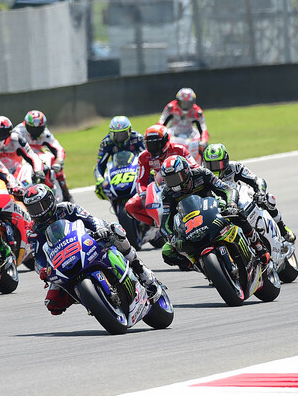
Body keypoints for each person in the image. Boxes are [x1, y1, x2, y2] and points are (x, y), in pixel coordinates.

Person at [22, 184, 158, 316]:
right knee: (53, 303)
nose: (38, 212)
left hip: (88, 242)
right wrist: (43, 271)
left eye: (41, 206)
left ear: (50, 201)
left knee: (115, 230)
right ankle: (90, 300)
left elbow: (91, 219)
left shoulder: (66, 208)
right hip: (64, 261)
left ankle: (142, 272)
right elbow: (38, 257)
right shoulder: (33, 232)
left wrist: (100, 229)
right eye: (33, 209)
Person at [159, 155, 271, 269]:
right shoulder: (167, 193)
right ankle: (202, 266)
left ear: (186, 172)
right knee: (167, 252)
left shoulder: (202, 174)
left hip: (213, 208)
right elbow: (164, 222)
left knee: (237, 213)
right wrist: (171, 237)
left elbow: (227, 189)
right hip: (189, 223)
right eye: (169, 180)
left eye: (176, 178)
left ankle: (258, 246)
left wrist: (231, 204)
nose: (174, 184)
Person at [201, 143, 296, 243]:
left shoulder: (235, 167)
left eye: (217, 164)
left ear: (226, 161)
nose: (214, 169)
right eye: (210, 165)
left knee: (268, 199)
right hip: (219, 205)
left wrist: (260, 192)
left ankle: (283, 229)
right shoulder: (203, 175)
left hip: (242, 199)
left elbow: (257, 180)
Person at [124, 124, 197, 226]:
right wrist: (144, 194)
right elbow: (141, 180)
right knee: (130, 206)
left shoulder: (180, 149)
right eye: (149, 144)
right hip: (160, 188)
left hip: (181, 185)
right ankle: (157, 223)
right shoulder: (144, 157)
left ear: (165, 140)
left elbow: (195, 167)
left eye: (155, 144)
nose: (153, 148)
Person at [13, 110, 73, 202]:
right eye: (33, 129)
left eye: (39, 128)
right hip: (22, 157)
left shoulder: (45, 132)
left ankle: (66, 196)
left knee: (54, 163)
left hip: (38, 156)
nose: (36, 132)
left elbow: (57, 147)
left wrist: (59, 160)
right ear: (27, 125)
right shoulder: (18, 132)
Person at [93, 116, 146, 200]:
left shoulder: (138, 138)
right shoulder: (106, 143)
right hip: (116, 171)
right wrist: (99, 180)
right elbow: (99, 165)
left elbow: (149, 156)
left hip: (135, 170)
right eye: (114, 134)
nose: (117, 138)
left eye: (121, 134)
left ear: (129, 131)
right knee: (99, 190)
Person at [0, 115, 45, 186]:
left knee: (32, 169)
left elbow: (32, 156)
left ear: (10, 132)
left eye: (2, 133)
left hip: (17, 173)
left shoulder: (18, 140)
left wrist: (38, 171)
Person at [158, 87, 209, 152]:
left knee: (204, 146)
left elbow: (204, 129)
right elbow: (161, 122)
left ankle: (201, 161)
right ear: (177, 101)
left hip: (190, 133)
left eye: (188, 103)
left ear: (193, 102)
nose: (185, 105)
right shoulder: (171, 107)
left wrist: (203, 141)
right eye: (182, 103)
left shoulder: (197, 112)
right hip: (173, 131)